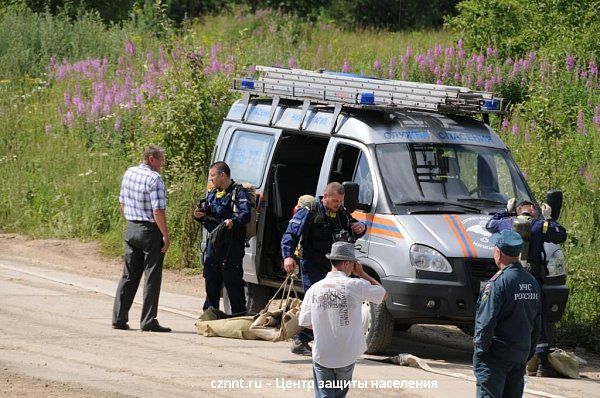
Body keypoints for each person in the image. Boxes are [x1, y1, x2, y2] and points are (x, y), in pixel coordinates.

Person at [281, 182, 367, 355]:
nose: (338, 204)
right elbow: (290, 234)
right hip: (312, 264)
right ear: (325, 196)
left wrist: (361, 228)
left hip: (334, 267)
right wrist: (288, 256)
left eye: (341, 201)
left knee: (332, 304)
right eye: (335, 201)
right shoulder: (310, 210)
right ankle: (301, 340)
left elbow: (351, 230)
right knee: (317, 304)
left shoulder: (341, 213)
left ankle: (323, 341)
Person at [486, 199, 567, 377]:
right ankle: (541, 364)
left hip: (508, 276)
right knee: (536, 316)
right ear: (533, 211)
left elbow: (489, 224)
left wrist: (506, 212)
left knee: (504, 314)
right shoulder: (539, 225)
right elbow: (560, 235)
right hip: (531, 278)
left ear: (518, 211)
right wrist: (549, 219)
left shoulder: (507, 222)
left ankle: (502, 353)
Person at [299, 242, 386, 398]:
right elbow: (382, 294)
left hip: (323, 353)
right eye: (353, 264)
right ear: (347, 263)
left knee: (324, 394)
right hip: (346, 354)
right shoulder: (355, 285)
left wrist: (326, 323)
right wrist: (362, 274)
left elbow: (306, 322)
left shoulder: (315, 288)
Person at [473, 230, 542, 398]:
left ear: (499, 253)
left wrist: (480, 352)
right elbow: (537, 322)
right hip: (519, 354)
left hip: (495, 357)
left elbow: (486, 321)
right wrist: (527, 352)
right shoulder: (531, 282)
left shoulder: (498, 283)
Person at [112, 145, 171, 332]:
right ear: (151, 159)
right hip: (149, 230)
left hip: (131, 228)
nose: (162, 164)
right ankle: (148, 320)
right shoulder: (155, 179)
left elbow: (122, 202)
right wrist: (165, 235)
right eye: (161, 160)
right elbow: (158, 210)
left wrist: (132, 221)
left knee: (129, 274)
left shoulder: (129, 172)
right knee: (152, 276)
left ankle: (119, 318)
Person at [193, 161, 251, 316]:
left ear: (223, 175)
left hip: (231, 245)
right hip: (214, 243)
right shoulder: (213, 193)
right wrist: (200, 215)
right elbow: (210, 213)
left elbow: (246, 215)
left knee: (232, 281)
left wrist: (233, 221)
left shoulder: (238, 193)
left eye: (213, 176)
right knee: (211, 278)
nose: (211, 179)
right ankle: (210, 313)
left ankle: (238, 315)